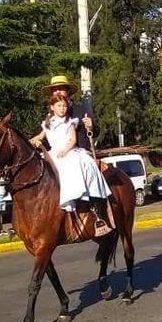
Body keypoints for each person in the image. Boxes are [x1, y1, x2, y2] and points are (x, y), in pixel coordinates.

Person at [30, 90, 112, 231]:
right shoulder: (48, 123)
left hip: (70, 152)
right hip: (53, 153)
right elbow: (40, 136)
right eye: (59, 106)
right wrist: (31, 142)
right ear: (52, 107)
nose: (62, 108)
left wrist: (66, 150)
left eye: (64, 106)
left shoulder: (73, 119)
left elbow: (73, 140)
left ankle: (90, 205)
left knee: (80, 165)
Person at [43, 75, 95, 151]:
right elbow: (44, 136)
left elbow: (95, 132)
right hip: (57, 157)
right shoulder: (49, 116)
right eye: (54, 90)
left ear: (68, 91)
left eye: (61, 89)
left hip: (79, 156)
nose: (58, 92)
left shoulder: (80, 110)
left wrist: (91, 127)